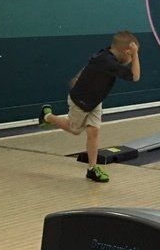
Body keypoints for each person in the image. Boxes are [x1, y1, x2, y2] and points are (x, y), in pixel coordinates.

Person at [39, 31, 140, 182]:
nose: (131, 60)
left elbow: (90, 64)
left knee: (93, 132)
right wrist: (136, 54)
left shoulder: (105, 53)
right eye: (131, 56)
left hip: (95, 101)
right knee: (75, 130)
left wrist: (78, 77)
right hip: (81, 101)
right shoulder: (109, 63)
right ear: (127, 52)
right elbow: (135, 76)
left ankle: (92, 169)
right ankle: (47, 116)